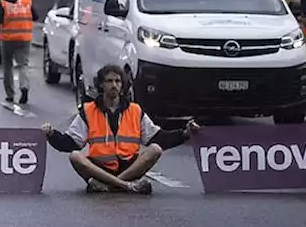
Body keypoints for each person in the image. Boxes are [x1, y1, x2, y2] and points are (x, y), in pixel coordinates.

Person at [42, 64, 201, 194]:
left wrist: (184, 133)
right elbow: (70, 143)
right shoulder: (89, 111)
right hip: (99, 169)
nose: (114, 85)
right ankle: (125, 186)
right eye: (109, 81)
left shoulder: (135, 110)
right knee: (75, 156)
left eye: (118, 81)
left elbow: (157, 138)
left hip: (129, 167)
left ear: (123, 85)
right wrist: (51, 134)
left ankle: (113, 186)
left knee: (155, 149)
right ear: (101, 85)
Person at [0, 0, 36, 104]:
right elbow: (36, 16)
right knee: (23, 65)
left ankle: (10, 94)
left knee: (7, 66)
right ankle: (24, 87)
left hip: (7, 39)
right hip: (25, 38)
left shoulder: (3, 1)